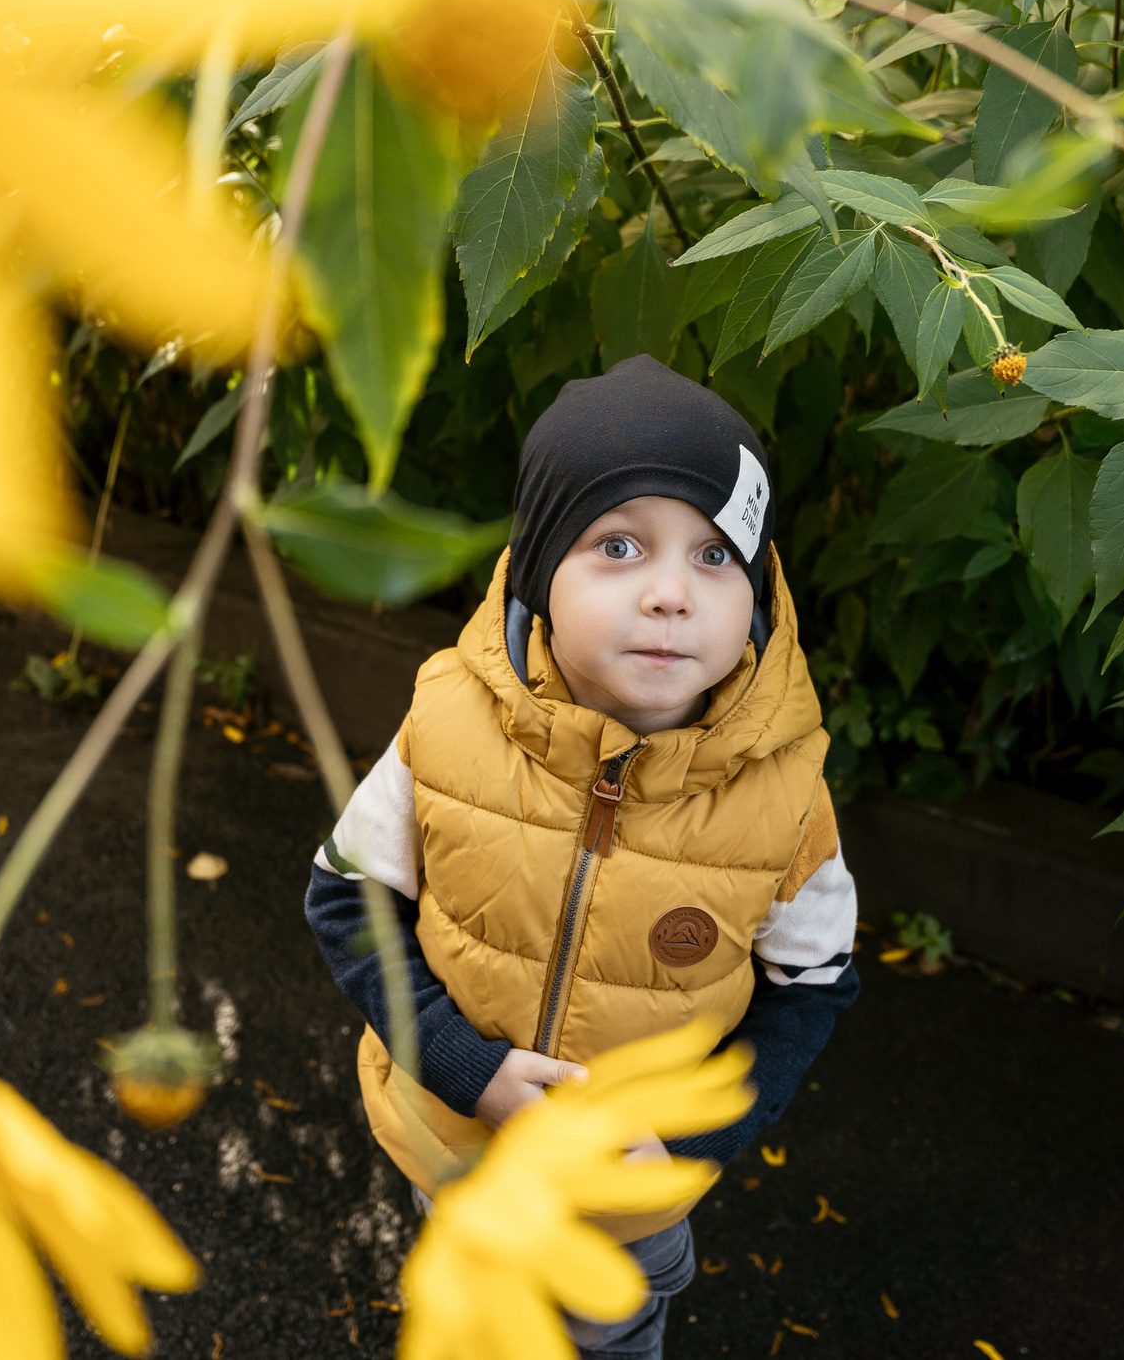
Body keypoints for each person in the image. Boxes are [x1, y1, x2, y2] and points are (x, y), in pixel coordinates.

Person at [304, 354, 860, 1358]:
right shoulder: (442, 727)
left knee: (608, 1333)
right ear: (536, 575)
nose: (669, 595)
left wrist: (692, 1140)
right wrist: (465, 1068)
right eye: (617, 545)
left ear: (759, 596)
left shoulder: (783, 798)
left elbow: (810, 983)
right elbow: (345, 902)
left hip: (626, 1192)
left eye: (713, 557)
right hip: (461, 1149)